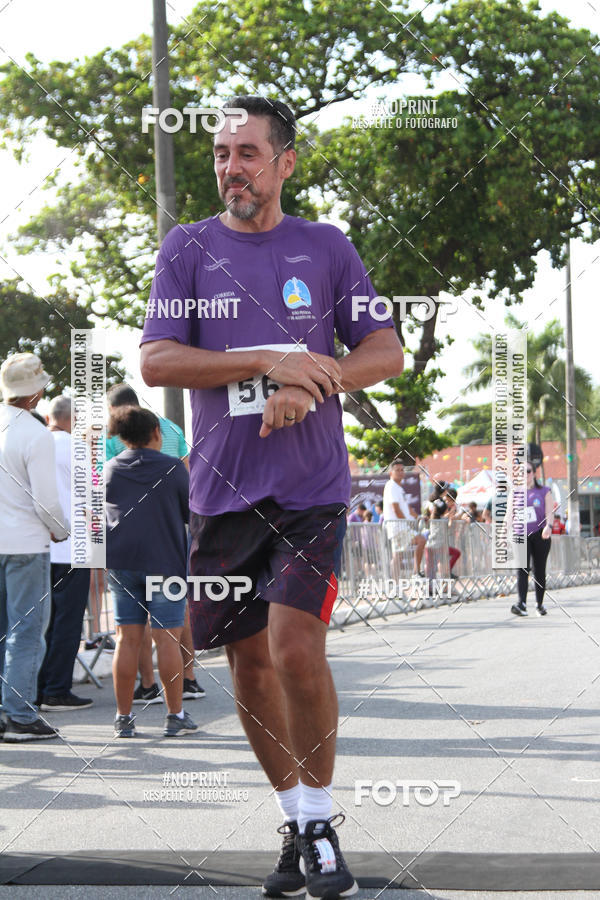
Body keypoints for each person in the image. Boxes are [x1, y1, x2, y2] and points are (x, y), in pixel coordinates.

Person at [140, 95, 403, 899]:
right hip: (223, 494)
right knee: (248, 665)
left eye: (248, 153)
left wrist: (314, 379)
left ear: (285, 162)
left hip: (310, 490)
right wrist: (267, 360)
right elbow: (157, 360)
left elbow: (385, 349)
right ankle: (295, 817)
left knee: (294, 649)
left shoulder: (325, 246)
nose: (232, 169)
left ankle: (320, 822)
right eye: (222, 154)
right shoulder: (186, 249)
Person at [106, 383, 204, 704]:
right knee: (167, 639)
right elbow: (192, 513)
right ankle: (175, 714)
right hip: (164, 559)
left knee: (126, 640)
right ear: (155, 433)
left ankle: (123, 717)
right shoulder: (173, 467)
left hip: (122, 561)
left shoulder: (109, 469)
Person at [0, 353, 69, 742]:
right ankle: (20, 715)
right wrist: (60, 531)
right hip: (27, 542)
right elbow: (46, 502)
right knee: (25, 630)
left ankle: (4, 712)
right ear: (36, 394)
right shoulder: (35, 433)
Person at [37, 396, 93, 711]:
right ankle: (57, 690)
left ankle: (37, 687)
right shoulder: (77, 448)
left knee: (42, 622)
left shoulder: (34, 445)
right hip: (73, 546)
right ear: (74, 420)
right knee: (68, 622)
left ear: (50, 417)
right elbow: (93, 498)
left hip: (39, 545)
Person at [511, 462, 553, 617]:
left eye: (528, 471)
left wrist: (549, 526)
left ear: (534, 473)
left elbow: (550, 512)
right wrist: (503, 531)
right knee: (522, 568)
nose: (525, 474)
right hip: (520, 534)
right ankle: (521, 603)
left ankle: (539, 604)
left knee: (539, 570)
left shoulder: (544, 491)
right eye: (521, 471)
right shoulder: (515, 492)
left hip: (540, 534)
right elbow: (509, 514)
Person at [383, 459, 426, 576]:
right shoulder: (391, 486)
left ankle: (396, 582)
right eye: (397, 470)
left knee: (398, 555)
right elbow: (396, 509)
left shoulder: (399, 488)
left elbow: (407, 509)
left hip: (401, 526)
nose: (400, 472)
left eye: (402, 470)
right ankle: (416, 573)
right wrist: (408, 523)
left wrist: (419, 517)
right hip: (398, 527)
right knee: (420, 540)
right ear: (391, 473)